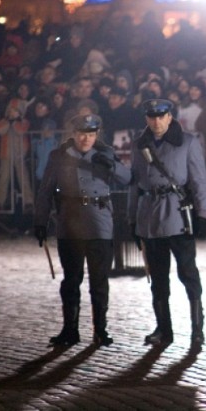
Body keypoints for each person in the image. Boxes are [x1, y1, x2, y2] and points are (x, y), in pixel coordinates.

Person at [33, 113, 131, 347]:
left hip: (99, 224)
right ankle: (70, 330)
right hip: (70, 223)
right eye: (81, 134)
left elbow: (128, 178)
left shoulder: (105, 154)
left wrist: (113, 166)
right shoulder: (59, 157)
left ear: (96, 134)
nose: (85, 138)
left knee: (99, 281)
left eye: (90, 134)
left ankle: (100, 330)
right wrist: (40, 221)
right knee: (71, 280)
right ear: (73, 134)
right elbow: (46, 191)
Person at [128, 98, 206, 347]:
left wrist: (204, 214)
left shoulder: (187, 142)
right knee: (158, 278)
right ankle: (164, 329)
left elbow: (199, 181)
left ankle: (197, 328)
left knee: (188, 274)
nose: (156, 121)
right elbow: (135, 185)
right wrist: (131, 219)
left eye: (161, 116)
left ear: (169, 117)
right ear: (146, 118)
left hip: (177, 216)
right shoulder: (139, 145)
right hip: (150, 219)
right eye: (151, 117)